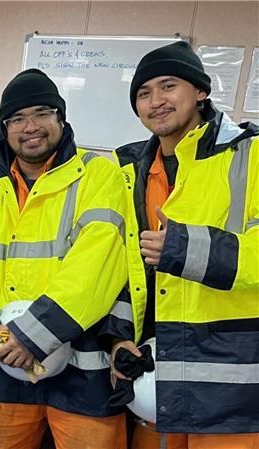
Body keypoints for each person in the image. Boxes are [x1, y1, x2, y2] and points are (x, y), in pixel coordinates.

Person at [0, 68, 131, 449]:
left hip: (85, 370)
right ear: (4, 127)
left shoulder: (99, 175)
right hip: (8, 364)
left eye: (42, 113)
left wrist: (31, 335)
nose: (30, 126)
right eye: (17, 118)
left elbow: (96, 265)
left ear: (60, 119)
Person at [108, 41, 259, 449]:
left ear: (201, 91)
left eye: (168, 86)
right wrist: (119, 338)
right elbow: (125, 268)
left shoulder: (251, 154)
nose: (155, 101)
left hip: (233, 384)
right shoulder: (127, 171)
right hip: (155, 371)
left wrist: (183, 249)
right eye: (143, 93)